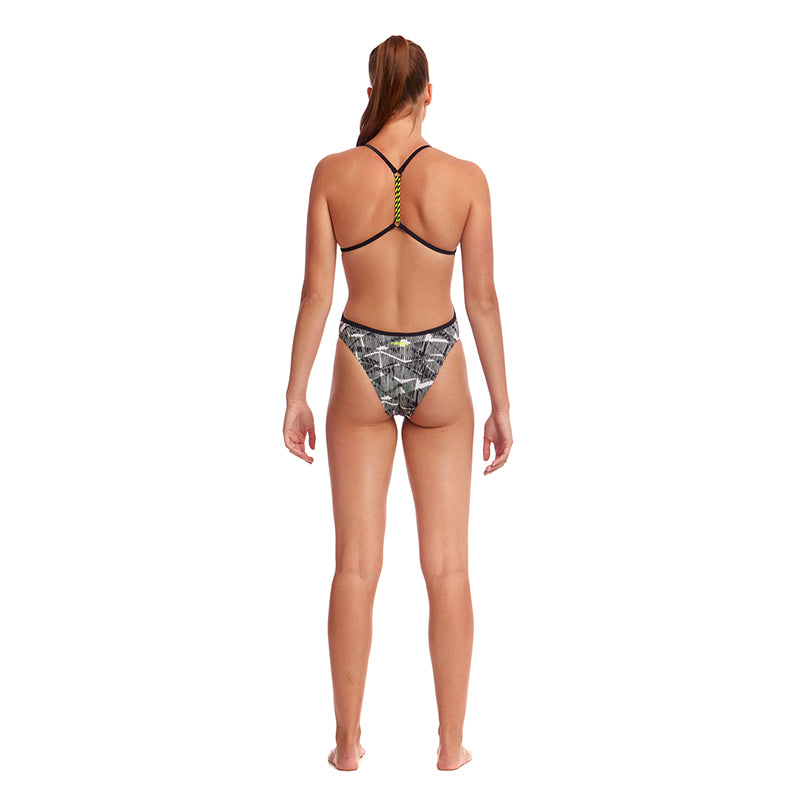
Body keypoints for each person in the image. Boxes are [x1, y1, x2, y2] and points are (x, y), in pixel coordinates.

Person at [283, 34, 512, 771]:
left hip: (359, 359)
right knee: (448, 568)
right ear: (429, 93)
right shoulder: (466, 179)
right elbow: (482, 300)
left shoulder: (333, 173)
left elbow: (316, 294)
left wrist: (294, 393)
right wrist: (502, 403)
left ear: (372, 91)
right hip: (440, 362)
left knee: (355, 566)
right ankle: (450, 746)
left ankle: (348, 746)